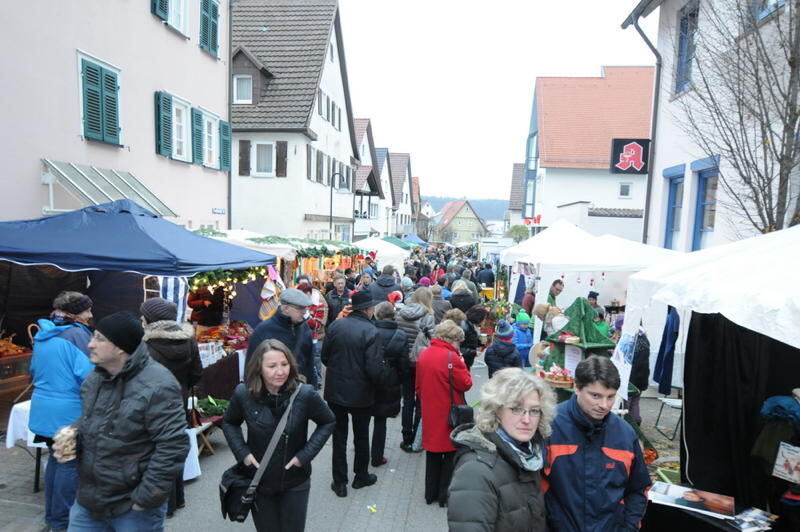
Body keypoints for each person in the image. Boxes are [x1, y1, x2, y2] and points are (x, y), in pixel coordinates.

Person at [65, 311, 189, 530]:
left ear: (121, 347)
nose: (90, 344)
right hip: (90, 500)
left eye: (99, 339)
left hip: (132, 506)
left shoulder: (159, 384)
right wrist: (72, 434)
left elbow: (173, 445)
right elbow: (91, 420)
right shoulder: (94, 379)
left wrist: (147, 497)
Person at [222, 339, 335, 532]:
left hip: (295, 482)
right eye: (272, 366)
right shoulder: (244, 394)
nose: (280, 371)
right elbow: (229, 422)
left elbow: (328, 421)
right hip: (260, 482)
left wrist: (304, 456)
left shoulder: (305, 394)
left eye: (284, 364)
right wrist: (243, 454)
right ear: (259, 368)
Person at [545, 355, 651, 531]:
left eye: (611, 397)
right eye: (595, 395)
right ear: (576, 388)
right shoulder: (549, 427)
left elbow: (638, 489)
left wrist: (628, 528)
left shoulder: (625, 435)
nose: (604, 405)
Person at [448, 368, 555, 531]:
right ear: (496, 411)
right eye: (516, 409)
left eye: (534, 411)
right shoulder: (475, 471)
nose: (527, 420)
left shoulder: (527, 455)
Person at [29, 291, 95, 532]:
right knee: (67, 464)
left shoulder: (43, 333)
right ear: (74, 312)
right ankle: (61, 522)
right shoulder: (76, 334)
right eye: (87, 310)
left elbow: (34, 370)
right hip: (68, 413)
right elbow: (89, 376)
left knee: (56, 461)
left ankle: (53, 518)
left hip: (43, 409)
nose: (90, 314)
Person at [140, 297, 202, 518]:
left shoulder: (144, 345)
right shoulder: (188, 340)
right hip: (178, 403)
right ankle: (178, 500)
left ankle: (164, 505)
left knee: (155, 454)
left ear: (149, 319)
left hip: (152, 407)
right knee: (173, 450)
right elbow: (197, 374)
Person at [321, 291, 385, 497]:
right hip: (361, 393)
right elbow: (374, 369)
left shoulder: (336, 325)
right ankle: (360, 476)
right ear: (367, 309)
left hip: (335, 391)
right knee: (361, 436)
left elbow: (324, 357)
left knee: (339, 437)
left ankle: (339, 482)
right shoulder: (371, 331)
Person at [415, 320, 472, 506]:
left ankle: (429, 494)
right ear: (453, 339)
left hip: (430, 410)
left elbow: (418, 386)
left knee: (431, 453)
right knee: (449, 454)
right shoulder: (452, 358)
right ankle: (443, 497)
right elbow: (466, 384)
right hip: (449, 411)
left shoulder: (424, 354)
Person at [246, 289, 317, 389]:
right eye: (300, 308)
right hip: (270, 394)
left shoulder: (304, 328)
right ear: (286, 308)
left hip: (299, 392)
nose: (304, 312)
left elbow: (310, 363)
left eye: (305, 308)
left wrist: (312, 391)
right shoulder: (263, 330)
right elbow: (251, 369)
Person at [395, 287, 436, 452]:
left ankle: (406, 437)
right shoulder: (428, 316)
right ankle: (417, 439)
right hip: (421, 362)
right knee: (420, 402)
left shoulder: (401, 313)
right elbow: (432, 339)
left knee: (407, 401)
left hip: (404, 361)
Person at [370, 302, 410, 468]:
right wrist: (401, 380)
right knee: (381, 420)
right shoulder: (400, 335)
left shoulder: (369, 331)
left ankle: (362, 450)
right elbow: (403, 363)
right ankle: (377, 456)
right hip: (389, 379)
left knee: (362, 418)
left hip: (369, 377)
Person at [296, 278, 328, 390]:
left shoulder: (318, 305)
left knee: (314, 361)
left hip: (313, 339)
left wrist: (306, 316)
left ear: (309, 293)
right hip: (298, 339)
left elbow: (316, 325)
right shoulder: (297, 306)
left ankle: (316, 382)